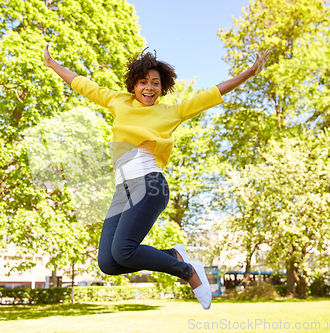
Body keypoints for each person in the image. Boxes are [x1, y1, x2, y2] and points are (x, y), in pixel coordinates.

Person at [44, 44, 270, 309]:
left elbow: (211, 94)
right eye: (143, 82)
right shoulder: (118, 101)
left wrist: (249, 73)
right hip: (122, 191)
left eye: (155, 83)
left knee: (124, 250)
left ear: (162, 88)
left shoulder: (170, 113)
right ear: (133, 85)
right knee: (109, 262)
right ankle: (175, 255)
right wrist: (53, 64)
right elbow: (82, 84)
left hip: (150, 184)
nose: (149, 88)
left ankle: (188, 272)